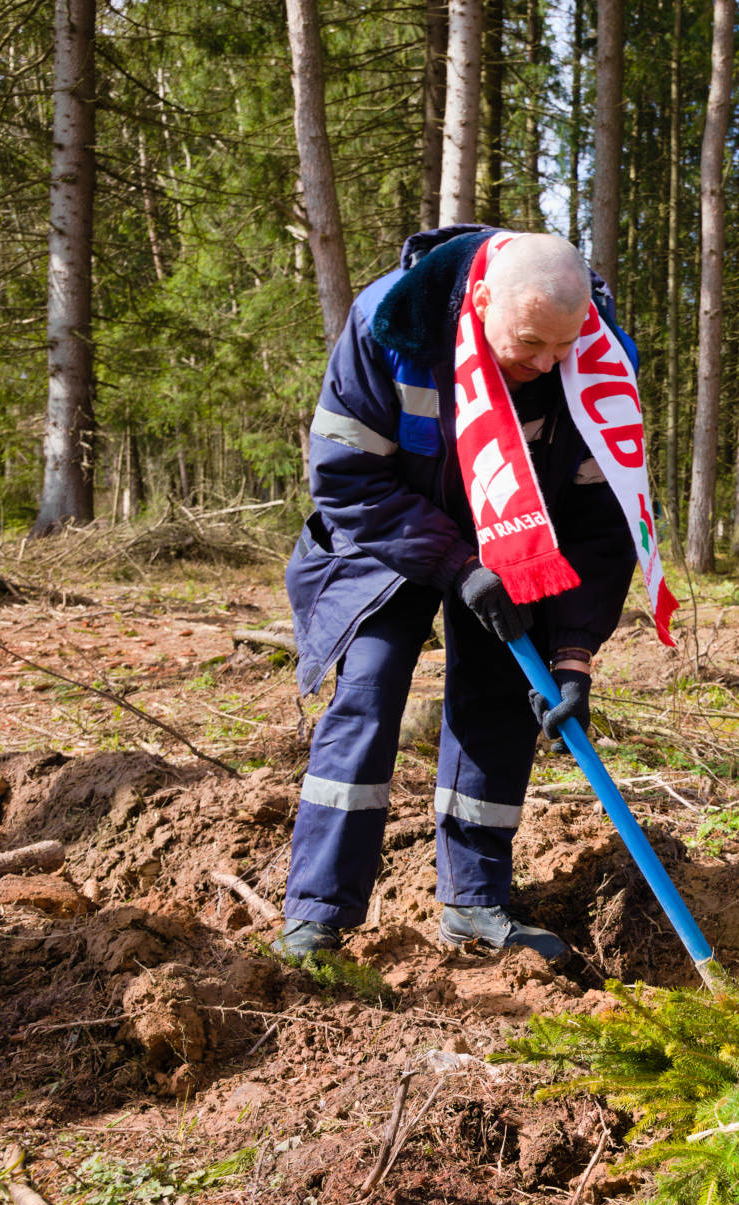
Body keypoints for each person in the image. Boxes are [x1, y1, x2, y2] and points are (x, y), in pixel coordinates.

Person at [273, 226, 640, 966]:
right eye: (529, 343)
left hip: (520, 544)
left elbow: (602, 527)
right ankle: (317, 917)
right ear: (480, 300)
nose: (544, 366)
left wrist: (572, 654)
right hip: (389, 536)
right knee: (370, 693)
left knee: (502, 697)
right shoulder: (392, 323)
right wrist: (453, 562)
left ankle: (475, 905)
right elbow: (346, 477)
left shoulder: (596, 361)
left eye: (560, 349)